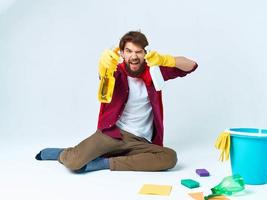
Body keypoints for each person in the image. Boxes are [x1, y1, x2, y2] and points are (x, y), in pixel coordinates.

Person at [35, 31, 198, 173]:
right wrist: (103, 68)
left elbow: (191, 65)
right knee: (73, 163)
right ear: (122, 53)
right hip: (113, 135)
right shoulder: (114, 71)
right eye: (129, 51)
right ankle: (64, 153)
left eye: (138, 52)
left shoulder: (155, 71)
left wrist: (165, 59)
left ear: (145, 53)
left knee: (169, 157)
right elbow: (104, 78)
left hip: (140, 141)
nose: (134, 56)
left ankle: (104, 163)